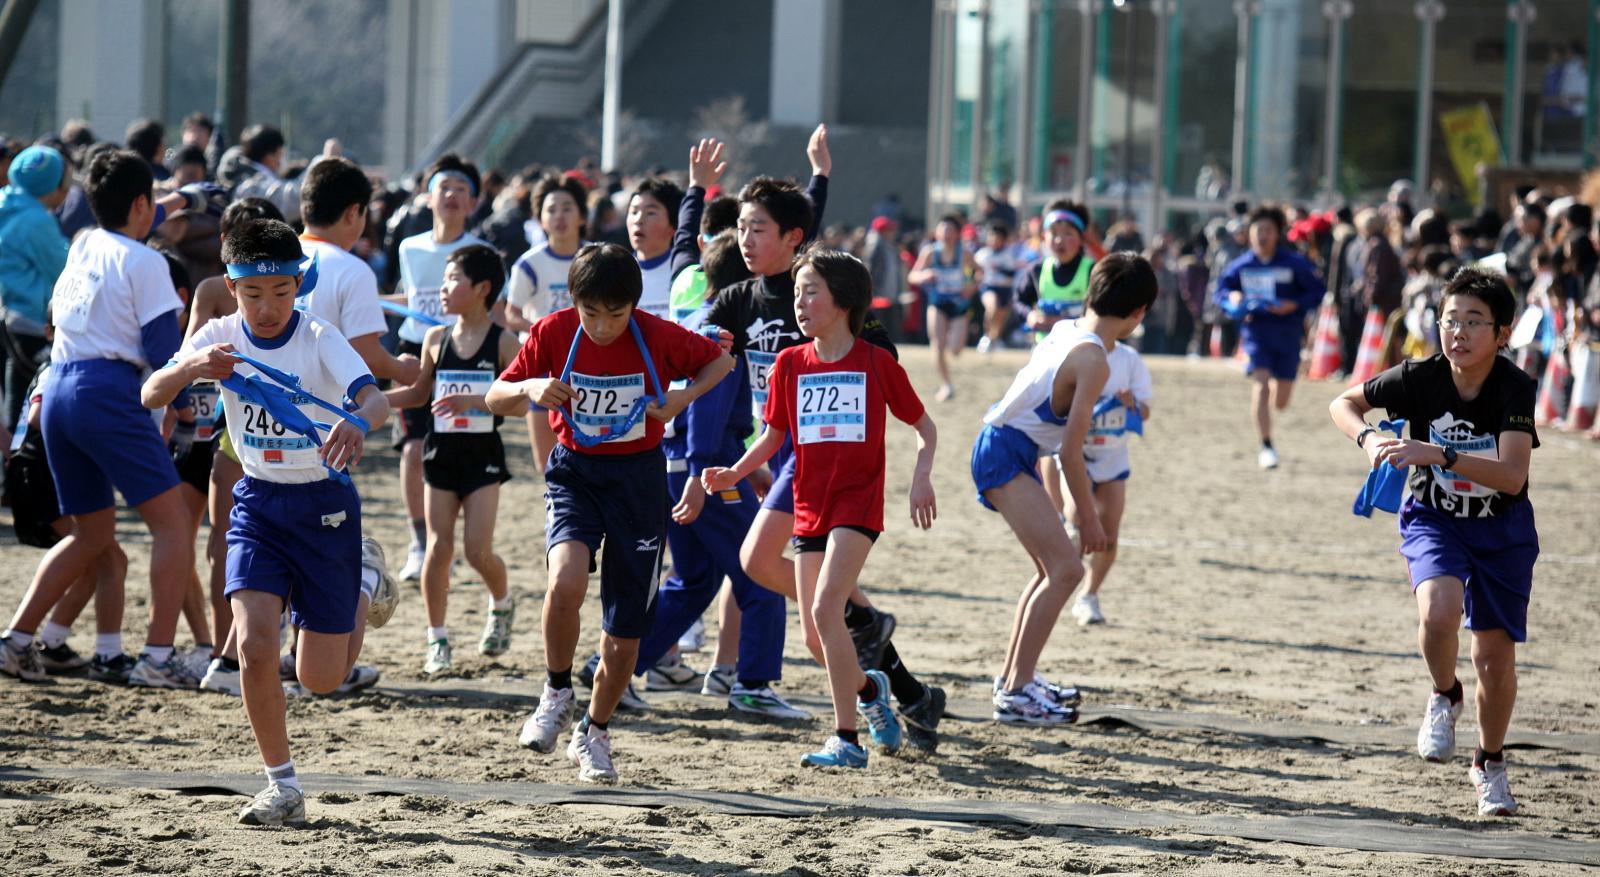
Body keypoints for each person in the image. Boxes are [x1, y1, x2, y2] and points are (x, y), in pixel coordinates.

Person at [143, 217, 391, 827]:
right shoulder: (218, 335)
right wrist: (192, 365)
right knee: (254, 645)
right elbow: (151, 393)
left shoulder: (319, 335)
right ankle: (282, 786)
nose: (269, 306)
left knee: (322, 679)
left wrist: (358, 422)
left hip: (325, 507)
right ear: (231, 286)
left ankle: (363, 579)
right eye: (254, 293)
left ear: (300, 285)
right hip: (257, 504)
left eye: (282, 291)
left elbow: (375, 398)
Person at [487, 243, 733, 784]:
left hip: (639, 482)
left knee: (623, 639)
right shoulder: (553, 331)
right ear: (573, 301)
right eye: (590, 312)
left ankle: (594, 732)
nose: (601, 327)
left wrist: (677, 401)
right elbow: (495, 396)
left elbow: (721, 361)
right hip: (575, 472)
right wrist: (531, 386)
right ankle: (555, 693)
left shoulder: (656, 334)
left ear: (634, 307)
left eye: (615, 315)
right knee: (566, 580)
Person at [704, 247, 937, 768]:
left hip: (857, 504)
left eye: (811, 292)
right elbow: (772, 437)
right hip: (808, 503)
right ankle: (873, 695)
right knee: (816, 634)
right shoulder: (789, 364)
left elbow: (924, 427)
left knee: (826, 608)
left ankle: (847, 741)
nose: (800, 303)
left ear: (845, 301)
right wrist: (733, 474)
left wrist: (921, 478)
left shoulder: (876, 362)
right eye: (796, 294)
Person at [1329, 268, 1537, 818]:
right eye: (1449, 320)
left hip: (1502, 529)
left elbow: (1513, 476)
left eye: (1474, 322)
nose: (1459, 333)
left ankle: (1489, 762)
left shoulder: (1515, 388)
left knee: (1493, 658)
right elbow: (1342, 404)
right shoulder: (1418, 376)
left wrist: (1440, 454)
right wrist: (1371, 438)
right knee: (1440, 610)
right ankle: (1445, 694)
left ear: (1503, 332)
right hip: (1435, 518)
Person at [0, 150, 198, 687]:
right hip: (107, 393)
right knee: (173, 524)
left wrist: (183, 199)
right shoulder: (148, 262)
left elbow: (131, 218)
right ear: (140, 202)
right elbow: (163, 350)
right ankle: (157, 657)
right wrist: (185, 412)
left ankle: (16, 640)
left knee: (90, 534)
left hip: (57, 388)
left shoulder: (84, 242)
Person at [971, 252, 1157, 724]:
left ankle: (1017, 681)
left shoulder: (1065, 328)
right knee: (1067, 570)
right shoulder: (1094, 358)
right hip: (1005, 451)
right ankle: (1015, 692)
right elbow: (1071, 452)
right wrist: (1089, 518)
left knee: (1049, 569)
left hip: (1004, 445)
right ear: (1138, 314)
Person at [385, 245, 521, 674]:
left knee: (478, 550)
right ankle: (436, 640)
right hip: (440, 455)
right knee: (437, 549)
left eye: (452, 280)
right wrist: (367, 402)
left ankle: (501, 603)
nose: (442, 289)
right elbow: (418, 395)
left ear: (482, 288)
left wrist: (477, 401)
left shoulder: (504, 342)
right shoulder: (435, 339)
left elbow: (519, 403)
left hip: (482, 459)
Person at [387, 154, 487, 582]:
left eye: (461, 189)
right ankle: (419, 540)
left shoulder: (481, 252)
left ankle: (454, 541)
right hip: (415, 349)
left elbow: (489, 310)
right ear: (428, 197)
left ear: (474, 201)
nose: (451, 195)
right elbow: (409, 299)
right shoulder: (410, 246)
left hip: (463, 352)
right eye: (443, 187)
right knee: (412, 450)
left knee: (458, 451)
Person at [1214, 205, 1325, 469]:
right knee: (1261, 385)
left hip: (1288, 335)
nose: (1263, 235)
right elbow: (1220, 292)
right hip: (1256, 334)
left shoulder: (1294, 263)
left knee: (1281, 401)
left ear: (1277, 234)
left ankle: (1277, 393)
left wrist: (1294, 304)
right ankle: (1266, 446)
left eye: (1268, 230)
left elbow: (1317, 291)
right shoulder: (1240, 266)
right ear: (1249, 234)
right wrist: (1233, 297)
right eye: (1258, 230)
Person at [505, 172, 590, 471]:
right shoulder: (529, 264)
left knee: (590, 458)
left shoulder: (596, 258)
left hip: (592, 368)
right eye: (551, 209)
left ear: (582, 215)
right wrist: (541, 330)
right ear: (539, 218)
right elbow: (510, 314)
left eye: (568, 208)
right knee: (548, 466)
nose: (559, 216)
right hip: (544, 369)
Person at [1065, 341, 1152, 626]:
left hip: (1113, 456)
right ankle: (1058, 582)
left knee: (1109, 535)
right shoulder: (1074, 349)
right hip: (1074, 451)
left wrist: (1132, 405)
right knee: (1076, 517)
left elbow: (1145, 411)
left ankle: (1089, 595)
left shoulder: (1129, 359)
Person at [0, 145, 71, 432]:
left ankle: (11, 463)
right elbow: (62, 269)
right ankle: (23, 461)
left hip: (7, 315)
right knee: (37, 388)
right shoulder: (37, 220)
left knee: (14, 388)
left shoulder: (6, 202)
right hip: (31, 319)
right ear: (50, 186)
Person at [908, 214, 976, 401]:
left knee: (955, 349)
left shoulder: (965, 253)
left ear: (957, 234)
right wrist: (925, 276)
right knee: (937, 344)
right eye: (942, 229)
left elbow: (980, 272)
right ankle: (946, 384)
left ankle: (953, 343)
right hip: (937, 302)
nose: (946, 233)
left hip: (959, 304)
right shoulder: (930, 253)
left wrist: (971, 286)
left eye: (950, 230)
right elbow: (912, 276)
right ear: (936, 232)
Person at [974, 220, 1019, 355]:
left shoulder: (1008, 253)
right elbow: (973, 271)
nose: (994, 240)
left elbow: (1012, 273)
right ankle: (986, 336)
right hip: (989, 287)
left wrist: (998, 268)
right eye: (991, 236)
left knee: (1000, 317)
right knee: (991, 307)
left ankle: (994, 339)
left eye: (997, 237)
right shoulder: (982, 254)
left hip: (1005, 288)